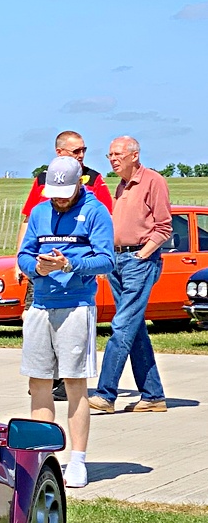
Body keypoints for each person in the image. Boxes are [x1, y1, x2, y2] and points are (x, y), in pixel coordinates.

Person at [17, 156, 115, 489]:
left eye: (65, 192)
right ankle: (44, 457)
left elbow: (106, 259)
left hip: (76, 306)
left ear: (80, 184)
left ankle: (78, 461)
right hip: (41, 304)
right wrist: (36, 269)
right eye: (54, 192)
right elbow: (24, 254)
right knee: (39, 383)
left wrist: (68, 264)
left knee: (75, 384)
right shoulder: (40, 212)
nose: (58, 199)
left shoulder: (97, 211)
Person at [14, 131, 112, 400]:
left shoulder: (93, 179)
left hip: (76, 291)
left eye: (84, 150)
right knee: (30, 323)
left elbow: (102, 221)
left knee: (73, 370)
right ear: (59, 153)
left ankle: (60, 381)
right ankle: (45, 377)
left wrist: (70, 264)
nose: (81, 156)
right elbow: (29, 221)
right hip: (42, 278)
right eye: (75, 151)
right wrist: (24, 262)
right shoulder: (42, 181)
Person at [89, 136, 172, 414]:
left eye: (118, 154)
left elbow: (164, 227)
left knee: (122, 326)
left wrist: (142, 254)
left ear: (134, 155)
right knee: (134, 330)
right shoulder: (121, 185)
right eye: (109, 155)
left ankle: (105, 394)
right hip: (117, 260)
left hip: (139, 260)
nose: (113, 159)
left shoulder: (153, 181)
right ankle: (153, 395)